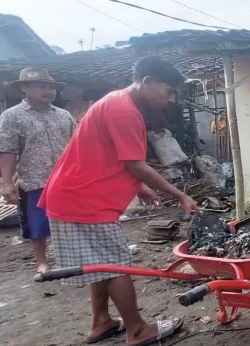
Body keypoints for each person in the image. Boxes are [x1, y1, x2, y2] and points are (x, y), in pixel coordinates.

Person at [38, 56, 200, 345]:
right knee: (116, 265)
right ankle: (136, 330)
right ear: (147, 82)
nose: (172, 98)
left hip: (75, 194)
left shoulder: (114, 101)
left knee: (100, 263)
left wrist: (138, 188)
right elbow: (136, 164)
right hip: (84, 199)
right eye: (169, 90)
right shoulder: (124, 111)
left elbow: (108, 154)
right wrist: (180, 195)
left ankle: (101, 321)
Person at [0, 67, 75, 281]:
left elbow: (75, 146)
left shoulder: (64, 115)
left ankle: (69, 258)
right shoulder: (12, 117)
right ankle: (42, 261)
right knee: (37, 224)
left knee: (70, 220)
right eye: (42, 86)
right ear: (24, 88)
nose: (48, 91)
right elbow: (8, 150)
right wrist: (7, 183)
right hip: (34, 180)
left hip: (65, 179)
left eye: (51, 87)